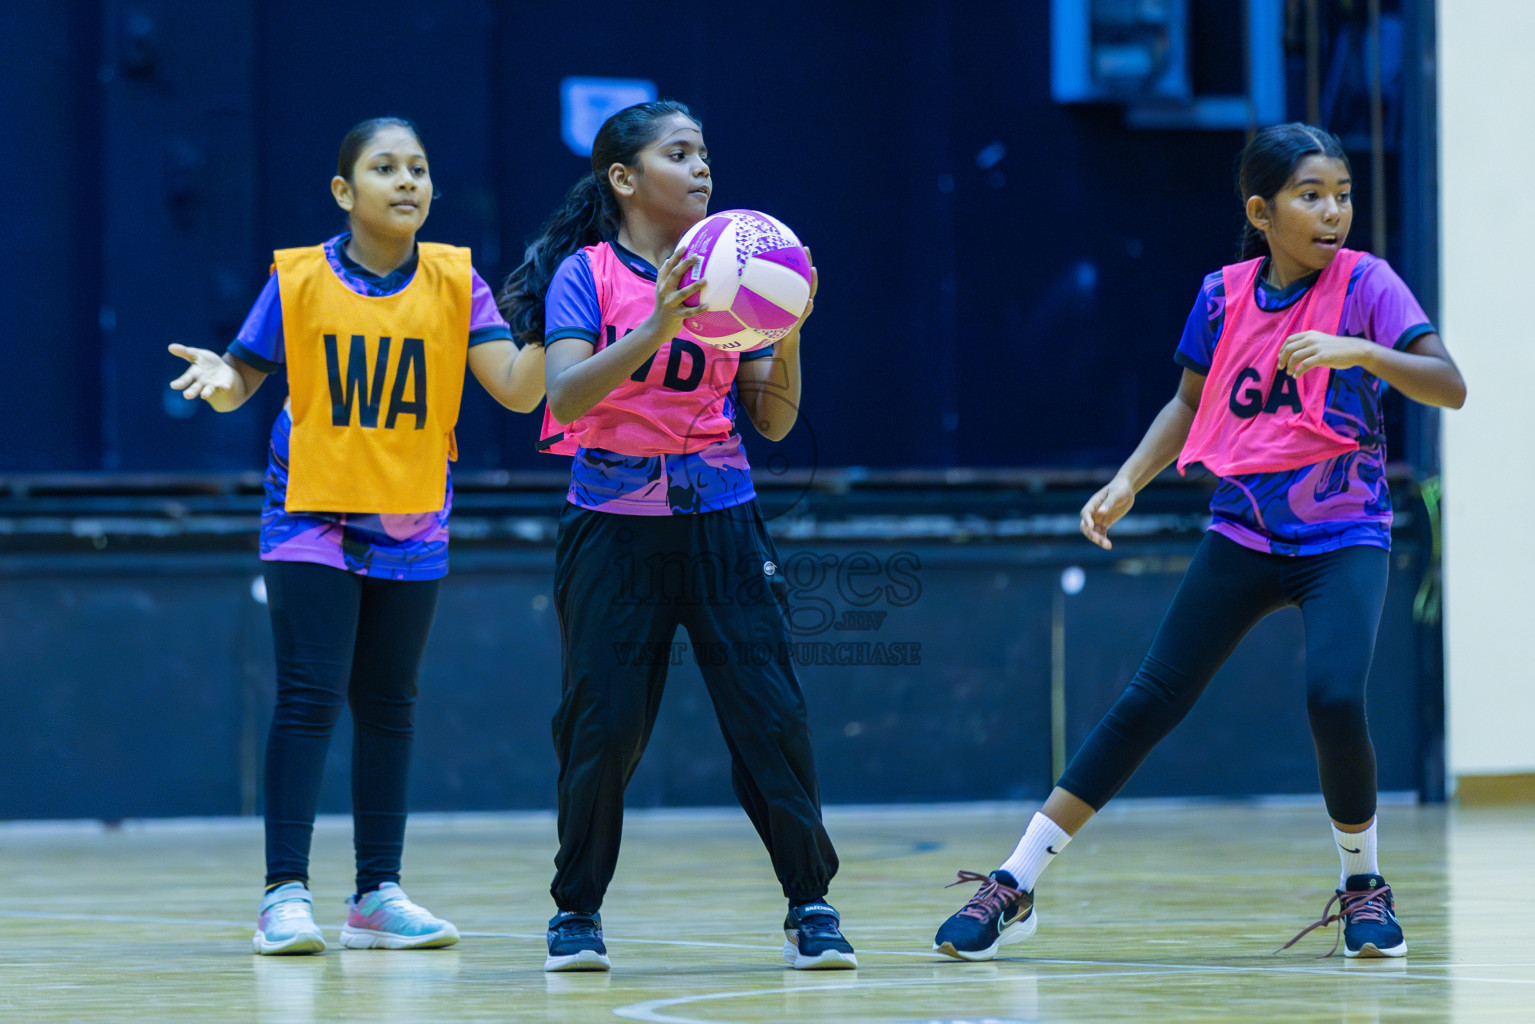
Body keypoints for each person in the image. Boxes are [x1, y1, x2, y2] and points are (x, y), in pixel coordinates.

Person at [933, 123, 1465, 962]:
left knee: (1332, 695)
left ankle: (1361, 884)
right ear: (1260, 211)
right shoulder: (1221, 295)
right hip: (1243, 529)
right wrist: (1127, 479)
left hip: (1343, 532)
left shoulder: (1369, 285)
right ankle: (1016, 882)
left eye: (1343, 194)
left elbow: (1449, 386)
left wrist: (1359, 348)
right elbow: (1187, 404)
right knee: (1150, 698)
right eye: (1310, 196)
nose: (1333, 212)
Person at [169, 116, 545, 955]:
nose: (407, 181)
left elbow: (518, 393)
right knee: (308, 698)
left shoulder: (457, 281)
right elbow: (241, 380)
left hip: (412, 519)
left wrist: (571, 332)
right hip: (310, 514)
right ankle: (283, 895)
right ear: (345, 192)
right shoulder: (297, 279)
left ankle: (377, 893)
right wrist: (219, 378)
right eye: (385, 168)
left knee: (389, 706)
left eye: (418, 167)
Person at [498, 99, 855, 972]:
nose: (702, 168)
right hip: (613, 529)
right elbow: (565, 397)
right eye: (680, 153)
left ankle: (810, 905)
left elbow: (771, 421)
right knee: (603, 725)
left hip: (722, 518)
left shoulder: (736, 269)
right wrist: (658, 324)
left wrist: (793, 324)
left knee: (770, 716)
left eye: (705, 153)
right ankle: (575, 913)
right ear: (624, 179)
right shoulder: (587, 275)